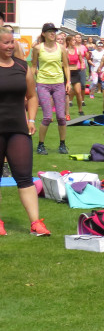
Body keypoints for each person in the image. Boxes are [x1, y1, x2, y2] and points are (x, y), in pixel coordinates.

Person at [0, 26, 49, 237]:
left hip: (18, 127)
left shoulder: (22, 66)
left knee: (24, 177)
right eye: (6, 43)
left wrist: (31, 119)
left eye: (12, 42)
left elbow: (32, 96)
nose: (11, 46)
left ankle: (36, 223)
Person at [30, 23, 70, 156]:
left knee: (61, 117)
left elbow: (66, 66)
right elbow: (33, 65)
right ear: (44, 34)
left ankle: (63, 144)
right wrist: (32, 80)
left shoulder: (62, 48)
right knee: (47, 117)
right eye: (50, 31)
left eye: (54, 31)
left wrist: (68, 81)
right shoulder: (37, 48)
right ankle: (41, 145)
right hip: (43, 84)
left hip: (58, 83)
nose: (53, 33)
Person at [66, 34, 88, 116]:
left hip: (75, 72)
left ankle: (80, 110)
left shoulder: (77, 50)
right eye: (73, 40)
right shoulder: (65, 51)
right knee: (66, 93)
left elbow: (81, 59)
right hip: (67, 72)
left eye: (75, 40)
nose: (74, 41)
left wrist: (82, 65)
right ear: (68, 42)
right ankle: (66, 111)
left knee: (78, 92)